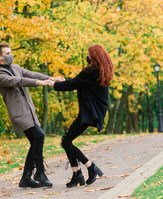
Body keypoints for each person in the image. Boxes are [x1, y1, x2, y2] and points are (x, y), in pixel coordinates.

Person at [0, 42, 63, 188]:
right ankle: (40, 172)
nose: (10, 55)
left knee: (36, 140)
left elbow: (30, 74)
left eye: (11, 52)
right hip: (19, 113)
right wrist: (39, 82)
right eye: (7, 53)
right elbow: (18, 81)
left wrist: (50, 78)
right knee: (39, 136)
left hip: (29, 110)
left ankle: (26, 178)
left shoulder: (16, 67)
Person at [47, 44, 114, 188]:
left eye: (89, 54)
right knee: (67, 140)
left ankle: (91, 167)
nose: (87, 57)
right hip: (94, 112)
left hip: (89, 113)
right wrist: (65, 81)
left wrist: (51, 84)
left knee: (65, 142)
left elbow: (73, 84)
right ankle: (77, 174)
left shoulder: (90, 71)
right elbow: (78, 82)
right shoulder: (102, 70)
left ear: (93, 56)